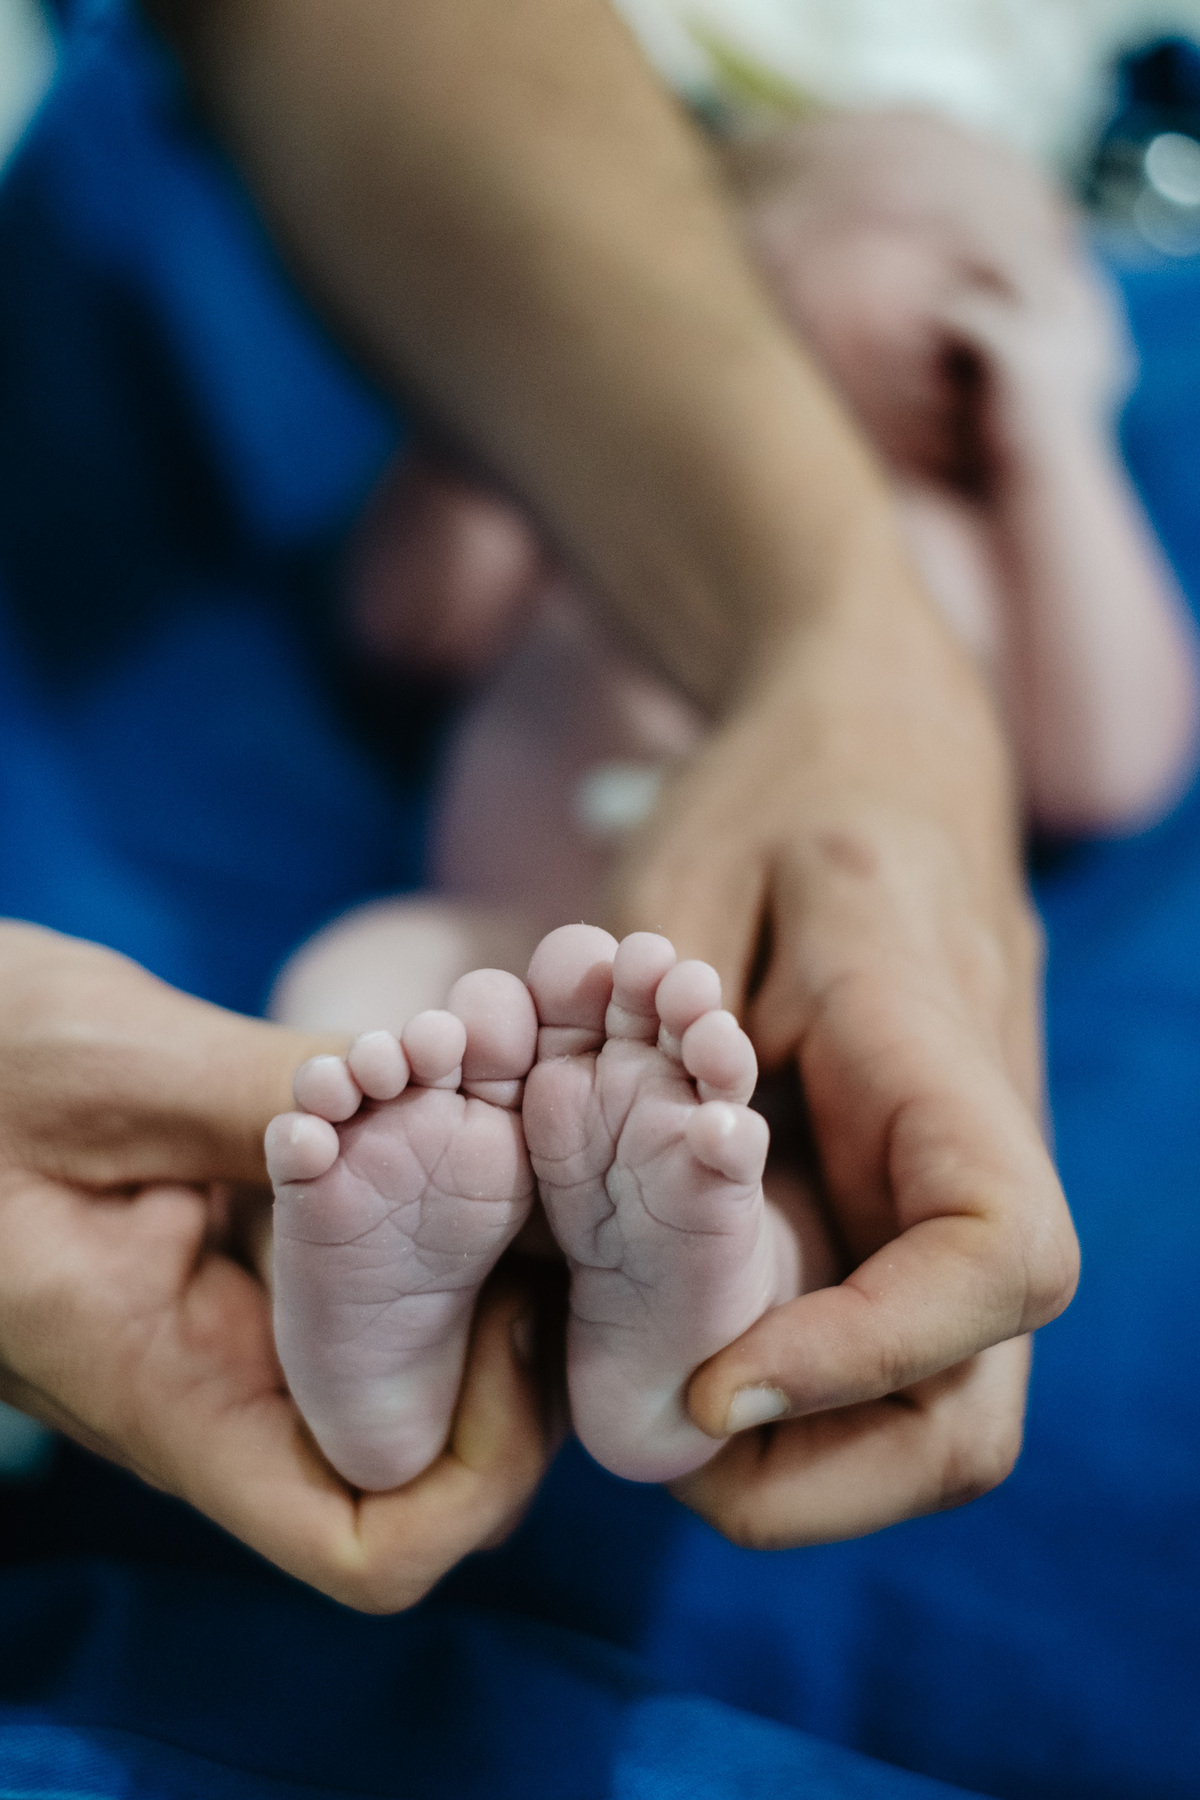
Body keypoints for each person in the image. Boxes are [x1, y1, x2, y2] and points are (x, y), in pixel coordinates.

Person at [0, 0, 1077, 1612]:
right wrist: (485, 460)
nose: (955, 282)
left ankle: (686, 1356)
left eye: (1005, 260)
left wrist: (1053, 444)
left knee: (767, 1165)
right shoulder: (590, 484)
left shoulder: (986, 532)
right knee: (365, 1039)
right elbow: (405, 616)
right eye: (893, 221)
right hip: (490, 951)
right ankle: (357, 1324)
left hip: (746, 998)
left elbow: (1108, 751)